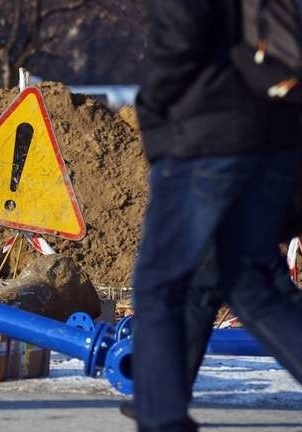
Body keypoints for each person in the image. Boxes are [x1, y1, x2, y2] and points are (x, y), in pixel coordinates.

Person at [132, 1, 302, 431]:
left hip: (207, 137)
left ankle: (161, 419)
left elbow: (180, 35)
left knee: (160, 283)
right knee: (251, 285)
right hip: (276, 128)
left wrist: (152, 109)